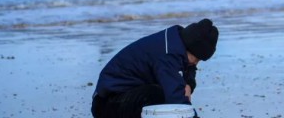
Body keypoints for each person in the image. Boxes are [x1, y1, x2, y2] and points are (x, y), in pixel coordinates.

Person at [91, 18, 219, 118]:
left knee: (167, 92)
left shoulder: (177, 41)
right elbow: (176, 100)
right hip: (107, 104)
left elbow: (189, 69)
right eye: (195, 60)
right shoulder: (167, 55)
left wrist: (189, 84)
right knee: (160, 95)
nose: (195, 65)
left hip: (127, 95)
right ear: (189, 48)